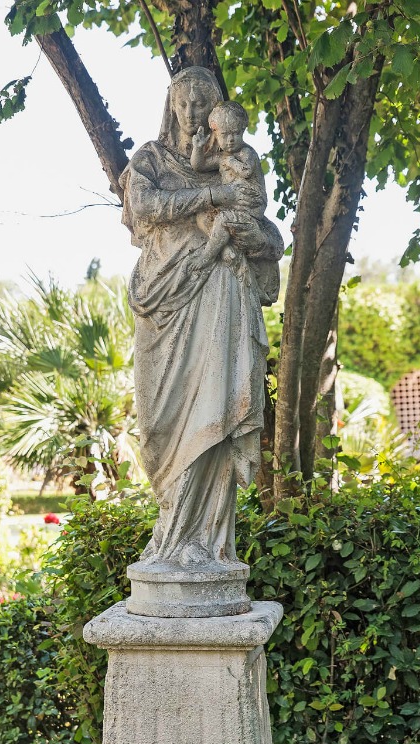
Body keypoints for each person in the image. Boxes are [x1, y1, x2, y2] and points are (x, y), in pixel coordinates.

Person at [120, 67, 283, 569]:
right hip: (163, 299)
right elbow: (144, 206)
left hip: (220, 300)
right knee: (159, 424)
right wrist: (214, 196)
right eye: (183, 102)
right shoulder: (149, 159)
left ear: (216, 110)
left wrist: (251, 235)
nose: (191, 112)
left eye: (201, 103)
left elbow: (271, 239)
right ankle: (169, 532)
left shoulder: (235, 161)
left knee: (216, 408)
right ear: (170, 105)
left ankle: (203, 542)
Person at [190, 100, 267, 273]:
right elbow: (199, 166)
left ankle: (207, 256)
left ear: (243, 131)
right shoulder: (223, 156)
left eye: (236, 133)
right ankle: (226, 250)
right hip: (234, 204)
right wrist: (198, 148)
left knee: (224, 220)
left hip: (251, 206)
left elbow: (246, 171)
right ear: (215, 134)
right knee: (204, 214)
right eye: (225, 135)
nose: (231, 140)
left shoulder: (247, 153)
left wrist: (230, 161)